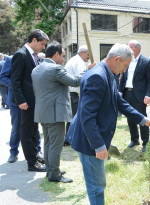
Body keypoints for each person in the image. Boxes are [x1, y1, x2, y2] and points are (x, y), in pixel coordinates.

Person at [66, 43, 150, 205]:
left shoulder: (107, 73)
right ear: (117, 60)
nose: (124, 71)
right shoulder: (97, 77)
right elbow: (87, 116)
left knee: (98, 179)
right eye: (124, 66)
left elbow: (118, 101)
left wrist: (142, 119)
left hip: (94, 137)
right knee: (96, 181)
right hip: (89, 140)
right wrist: (99, 146)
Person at [32, 41, 92, 183]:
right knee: (55, 145)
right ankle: (54, 174)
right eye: (63, 56)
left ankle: (51, 169)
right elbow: (76, 81)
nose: (64, 59)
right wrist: (88, 69)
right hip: (55, 113)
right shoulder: (55, 69)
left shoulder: (37, 69)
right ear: (56, 54)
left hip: (42, 112)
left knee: (48, 143)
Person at [11, 29, 49, 172]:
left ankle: (35, 157)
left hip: (34, 101)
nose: (43, 47)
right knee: (26, 133)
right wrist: (21, 100)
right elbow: (15, 80)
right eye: (42, 44)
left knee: (34, 131)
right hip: (26, 102)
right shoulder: (20, 54)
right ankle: (31, 163)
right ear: (34, 40)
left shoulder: (34, 55)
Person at [0, 56, 43, 163]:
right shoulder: (11, 59)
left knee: (34, 126)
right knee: (17, 126)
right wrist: (17, 86)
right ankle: (13, 152)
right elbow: (3, 77)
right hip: (16, 100)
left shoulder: (37, 59)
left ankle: (37, 150)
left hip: (31, 99)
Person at [118, 40, 150, 152]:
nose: (129, 50)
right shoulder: (128, 60)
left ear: (138, 48)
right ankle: (134, 139)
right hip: (127, 93)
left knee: (142, 117)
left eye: (131, 47)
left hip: (139, 95)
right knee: (130, 117)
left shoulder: (146, 61)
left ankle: (145, 142)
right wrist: (120, 92)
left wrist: (148, 95)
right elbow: (123, 77)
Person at [64, 45, 91, 146]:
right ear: (82, 53)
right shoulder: (78, 62)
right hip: (73, 93)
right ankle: (70, 139)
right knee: (74, 118)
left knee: (72, 118)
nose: (88, 57)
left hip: (71, 93)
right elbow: (82, 79)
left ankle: (68, 138)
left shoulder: (75, 60)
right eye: (87, 54)